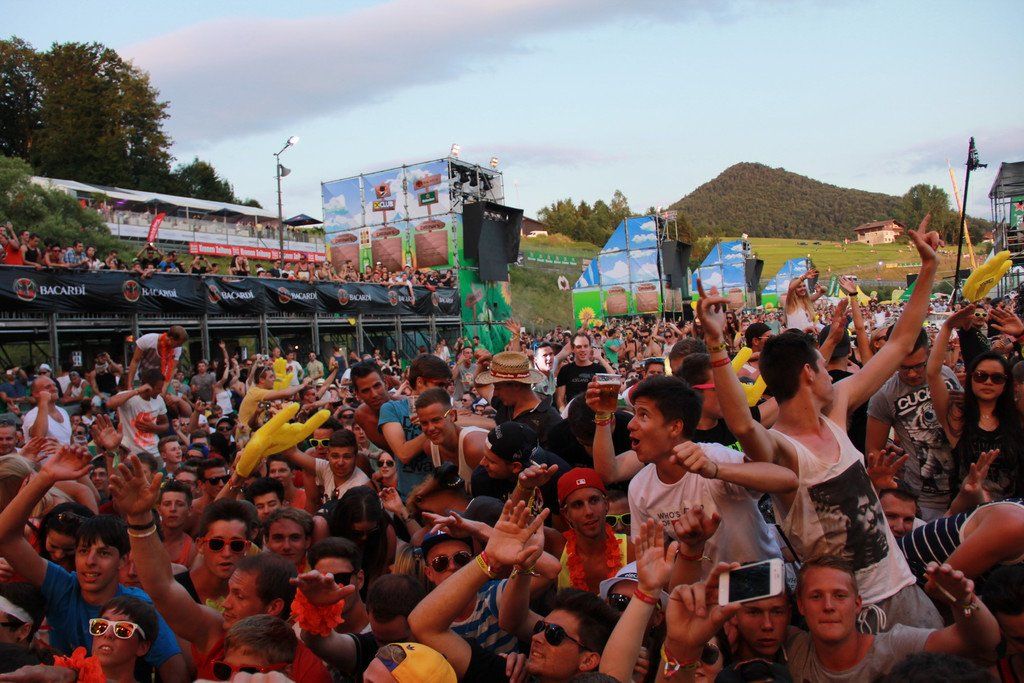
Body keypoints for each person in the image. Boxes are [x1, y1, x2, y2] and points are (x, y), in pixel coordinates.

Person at [697, 219, 947, 631]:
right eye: (824, 367)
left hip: (902, 588)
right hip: (847, 617)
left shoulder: (837, 412)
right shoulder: (782, 449)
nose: (834, 374)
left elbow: (902, 343)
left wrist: (928, 268)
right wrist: (715, 345)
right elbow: (742, 425)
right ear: (810, 373)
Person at [107, 454, 331, 682]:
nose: (225, 603)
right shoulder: (216, 633)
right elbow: (161, 587)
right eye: (216, 543)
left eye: (239, 596)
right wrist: (139, 517)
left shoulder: (307, 670)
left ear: (273, 607)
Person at [0, 446, 188, 681]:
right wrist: (46, 477)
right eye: (83, 551)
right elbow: (6, 538)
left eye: (103, 553)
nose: (90, 562)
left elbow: (176, 672)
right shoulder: (62, 586)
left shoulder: (136, 609)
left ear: (122, 560)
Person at [410, 500, 619, 682]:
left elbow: (550, 570)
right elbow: (424, 625)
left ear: (588, 660)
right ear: (428, 572)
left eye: (554, 634)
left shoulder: (491, 597)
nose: (536, 638)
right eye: (540, 627)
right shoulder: (511, 675)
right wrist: (491, 558)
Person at [623, 376, 790, 565]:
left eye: (643, 415)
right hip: (702, 583)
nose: (631, 424)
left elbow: (786, 480)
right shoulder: (640, 488)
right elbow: (654, 562)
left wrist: (716, 470)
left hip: (759, 576)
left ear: (675, 427)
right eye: (634, 414)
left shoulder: (715, 457)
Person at [928, 305, 1024, 500]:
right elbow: (932, 373)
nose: (988, 382)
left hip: (1013, 511)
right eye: (980, 376)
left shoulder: (1017, 416)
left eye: (997, 378)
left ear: (1007, 384)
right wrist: (947, 327)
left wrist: (1021, 336)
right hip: (967, 511)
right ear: (970, 379)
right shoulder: (957, 419)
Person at [867, 327, 961, 519]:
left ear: (929, 353)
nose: (911, 374)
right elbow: (874, 450)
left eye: (919, 366)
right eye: (903, 367)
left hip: (963, 486)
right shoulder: (884, 395)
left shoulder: (946, 374)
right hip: (924, 500)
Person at [471, 422, 570, 522]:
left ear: (515, 467)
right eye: (485, 456)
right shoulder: (482, 477)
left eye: (491, 461)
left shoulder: (557, 477)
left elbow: (563, 529)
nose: (482, 463)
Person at [553, 468, 630, 592]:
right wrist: (525, 489)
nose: (588, 511)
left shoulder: (632, 549)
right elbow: (521, 531)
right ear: (566, 514)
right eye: (578, 505)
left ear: (606, 504)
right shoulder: (557, 549)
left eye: (594, 500)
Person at [475, 351, 562, 449]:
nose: (495, 393)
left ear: (516, 385)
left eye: (498, 388)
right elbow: (481, 386)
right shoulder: (505, 403)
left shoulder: (550, 421)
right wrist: (481, 365)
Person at [416, 388, 488, 489]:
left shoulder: (473, 447)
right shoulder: (429, 447)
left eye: (436, 420)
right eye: (424, 423)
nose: (430, 428)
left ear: (452, 415)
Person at [106, 368, 168, 459]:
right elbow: (109, 404)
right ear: (148, 387)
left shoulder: (159, 399)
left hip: (154, 453)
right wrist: (137, 391)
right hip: (131, 454)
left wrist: (155, 428)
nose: (161, 391)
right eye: (158, 388)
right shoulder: (129, 396)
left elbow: (165, 424)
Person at [555, 333, 612, 411]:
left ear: (590, 348)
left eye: (586, 346)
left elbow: (605, 396)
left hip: (594, 413)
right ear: (573, 349)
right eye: (579, 347)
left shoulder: (600, 370)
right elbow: (560, 400)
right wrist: (564, 414)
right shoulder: (565, 370)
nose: (583, 350)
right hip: (572, 413)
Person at [125, 326, 188, 390]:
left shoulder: (177, 348)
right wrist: (130, 385)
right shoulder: (147, 339)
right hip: (141, 375)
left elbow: (172, 369)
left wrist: (164, 388)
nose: (180, 346)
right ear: (171, 339)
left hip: (160, 378)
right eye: (178, 343)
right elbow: (135, 361)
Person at [156, 480, 196, 568]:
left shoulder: (192, 551)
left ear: (189, 510)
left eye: (180, 504)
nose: (173, 509)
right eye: (167, 504)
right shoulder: (147, 538)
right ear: (159, 509)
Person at [22, 374, 72, 444]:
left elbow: (69, 440)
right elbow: (38, 438)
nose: (54, 389)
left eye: (54, 385)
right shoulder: (32, 415)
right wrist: (43, 401)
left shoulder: (63, 411)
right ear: (36, 394)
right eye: (48, 387)